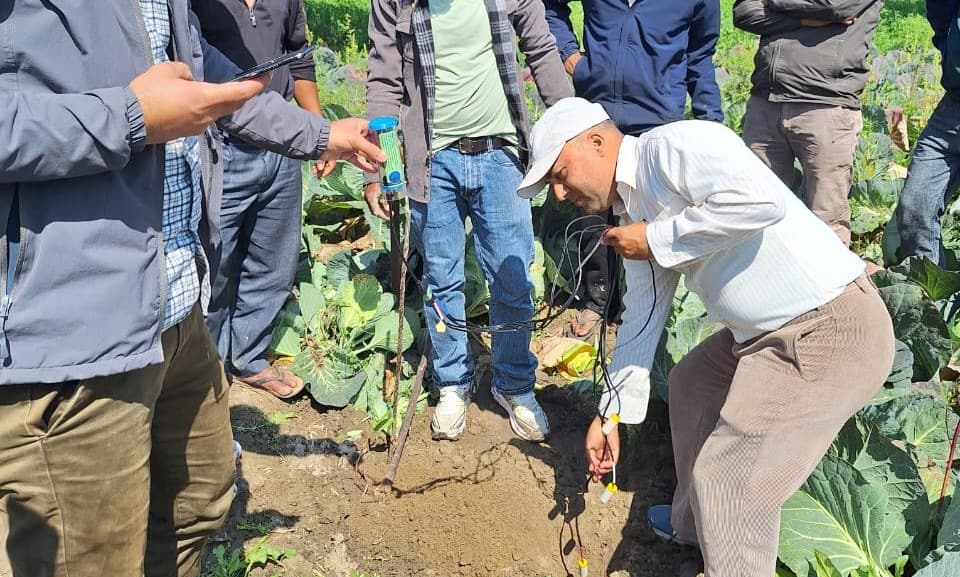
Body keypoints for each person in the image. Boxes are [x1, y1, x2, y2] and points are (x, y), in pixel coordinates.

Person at [0, 3, 382, 577]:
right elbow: (137, 112)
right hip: (74, 334)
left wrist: (321, 133)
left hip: (176, 302)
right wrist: (126, 117)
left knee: (200, 493)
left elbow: (208, 94)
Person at [516, 97, 895, 577]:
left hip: (827, 329)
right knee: (693, 383)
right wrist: (610, 413)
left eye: (559, 175)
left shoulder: (677, 148)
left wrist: (659, 236)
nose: (559, 195)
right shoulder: (634, 214)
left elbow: (763, 200)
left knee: (731, 470)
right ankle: (698, 528)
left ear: (596, 142)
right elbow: (643, 317)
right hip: (765, 334)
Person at [365, 0, 570, 442]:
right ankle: (453, 383)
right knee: (442, 283)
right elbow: (383, 78)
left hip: (500, 154)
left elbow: (541, 49)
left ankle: (514, 383)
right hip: (432, 162)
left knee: (513, 279)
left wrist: (571, 136)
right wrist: (375, 169)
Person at [543, 0, 723, 338]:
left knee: (652, 217)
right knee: (592, 211)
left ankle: (647, 306)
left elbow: (700, 54)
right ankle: (598, 299)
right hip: (598, 112)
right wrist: (570, 53)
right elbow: (551, 7)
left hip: (656, 117)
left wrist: (710, 122)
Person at [193, 0, 324, 400]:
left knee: (274, 260)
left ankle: (248, 358)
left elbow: (298, 58)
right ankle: (205, 370)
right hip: (220, 144)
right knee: (215, 265)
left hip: (281, 143)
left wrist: (317, 131)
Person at [734, 0, 883, 247]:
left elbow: (835, 6)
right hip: (766, 101)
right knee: (755, 209)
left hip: (825, 104)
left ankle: (828, 285)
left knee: (827, 218)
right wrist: (802, 20)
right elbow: (744, 12)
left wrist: (771, 4)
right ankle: (767, 283)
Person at [894, 0, 960, 266]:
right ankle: (928, 297)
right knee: (915, 205)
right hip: (953, 107)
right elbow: (940, 12)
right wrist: (950, 53)